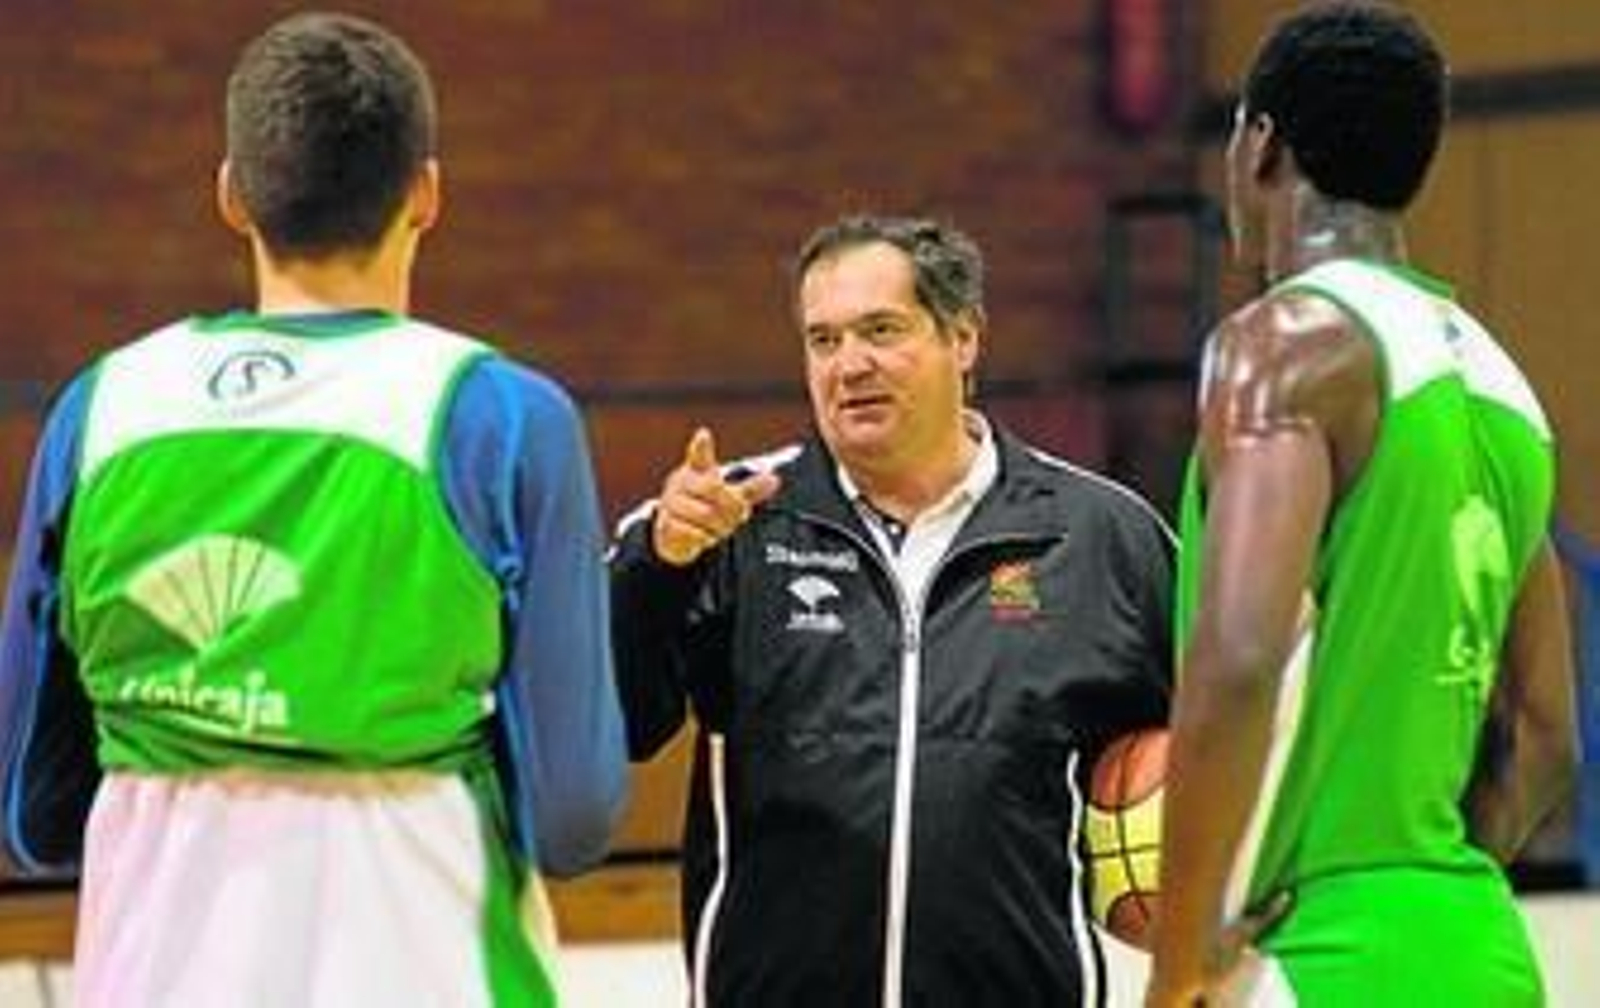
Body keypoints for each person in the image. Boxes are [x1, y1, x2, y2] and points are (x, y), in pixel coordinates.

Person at [0, 12, 626, 1006]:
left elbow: (32, 813)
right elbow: (574, 816)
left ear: (232, 195)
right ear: (425, 193)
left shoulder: (100, 409)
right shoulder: (503, 417)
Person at [611, 214, 1174, 1006]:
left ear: (964, 338)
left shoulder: (1101, 536)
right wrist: (658, 569)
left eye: (880, 330)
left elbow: (1227, 735)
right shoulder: (727, 523)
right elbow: (620, 722)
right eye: (823, 340)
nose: (850, 366)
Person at [1148, 4, 1578, 1005]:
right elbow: (1547, 732)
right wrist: (1418, 890)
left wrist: (1176, 970)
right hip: (1474, 949)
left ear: (1257, 145)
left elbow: (1240, 653)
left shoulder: (1285, 342)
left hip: (1309, 955)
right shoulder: (1502, 384)